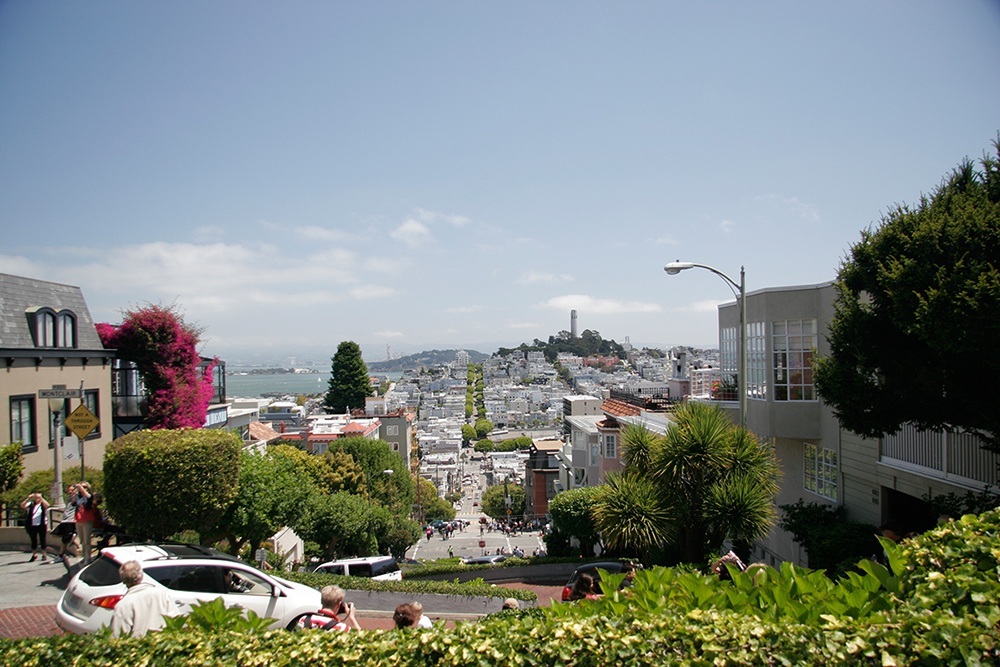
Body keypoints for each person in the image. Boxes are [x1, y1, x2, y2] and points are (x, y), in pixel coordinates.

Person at [109, 560, 176, 637]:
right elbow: (176, 619)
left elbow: (117, 636)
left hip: (138, 647)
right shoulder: (161, 593)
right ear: (142, 576)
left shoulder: (122, 606)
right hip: (163, 643)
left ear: (123, 580)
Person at [55, 484, 80, 569]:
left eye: (71, 490)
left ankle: (61, 555)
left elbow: (76, 503)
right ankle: (74, 541)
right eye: (68, 490)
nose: (70, 492)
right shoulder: (68, 498)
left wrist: (76, 492)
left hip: (71, 520)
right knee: (60, 536)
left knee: (65, 539)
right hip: (65, 520)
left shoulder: (76, 498)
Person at [20, 492, 49, 563]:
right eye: (36, 497)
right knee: (33, 540)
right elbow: (22, 505)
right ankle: (34, 554)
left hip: (42, 524)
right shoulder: (31, 504)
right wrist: (28, 498)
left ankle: (44, 554)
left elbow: (47, 505)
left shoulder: (42, 505)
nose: (37, 499)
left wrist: (41, 498)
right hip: (32, 525)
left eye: (39, 497)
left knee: (43, 539)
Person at [74, 482, 98, 563]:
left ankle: (88, 558)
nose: (82, 488)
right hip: (79, 520)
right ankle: (84, 556)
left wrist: (81, 488)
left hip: (87, 520)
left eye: (85, 487)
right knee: (82, 541)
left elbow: (89, 497)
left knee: (87, 540)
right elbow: (73, 503)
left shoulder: (89, 496)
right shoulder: (78, 497)